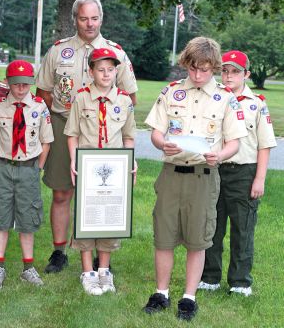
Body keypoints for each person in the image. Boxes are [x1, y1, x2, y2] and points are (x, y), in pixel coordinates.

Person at [142, 37, 248, 321]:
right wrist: (162, 143)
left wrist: (220, 155)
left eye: (204, 69)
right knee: (163, 236)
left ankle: (189, 297)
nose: (198, 75)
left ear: (214, 67)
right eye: (192, 69)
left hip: (204, 176)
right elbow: (156, 131)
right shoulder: (171, 92)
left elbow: (235, 141)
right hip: (171, 175)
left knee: (197, 239)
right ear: (186, 65)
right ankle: (161, 292)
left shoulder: (226, 98)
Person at [35, 0, 138, 274]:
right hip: (64, 125)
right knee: (61, 193)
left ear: (101, 19)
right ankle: (59, 252)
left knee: (102, 194)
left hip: (103, 130)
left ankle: (101, 256)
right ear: (75, 19)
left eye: (94, 18)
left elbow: (130, 96)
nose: (89, 23)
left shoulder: (114, 52)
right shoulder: (59, 51)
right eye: (83, 18)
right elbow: (43, 93)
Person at [198, 50, 277, 297]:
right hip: (214, 170)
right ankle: (210, 277)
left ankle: (240, 282)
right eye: (225, 70)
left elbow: (264, 144)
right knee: (212, 226)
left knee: (243, 228)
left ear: (246, 74)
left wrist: (259, 179)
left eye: (235, 71)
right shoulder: (215, 99)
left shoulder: (257, 104)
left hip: (244, 172)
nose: (229, 76)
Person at [64, 47, 137, 295]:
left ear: (116, 71)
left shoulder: (124, 100)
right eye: (101, 70)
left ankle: (104, 270)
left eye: (110, 70)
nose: (106, 74)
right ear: (91, 71)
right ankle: (88, 272)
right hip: (88, 166)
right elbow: (72, 134)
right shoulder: (81, 98)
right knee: (87, 217)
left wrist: (131, 161)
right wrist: (74, 161)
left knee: (109, 216)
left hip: (114, 167)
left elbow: (128, 137)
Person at [0, 60, 54, 289]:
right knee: (0, 216)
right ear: (8, 82)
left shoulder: (39, 107)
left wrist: (38, 167)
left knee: (28, 218)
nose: (21, 88)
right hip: (4, 168)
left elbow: (46, 142)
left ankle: (28, 267)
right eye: (16, 84)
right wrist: (4, 161)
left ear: (31, 83)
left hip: (29, 169)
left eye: (26, 84)